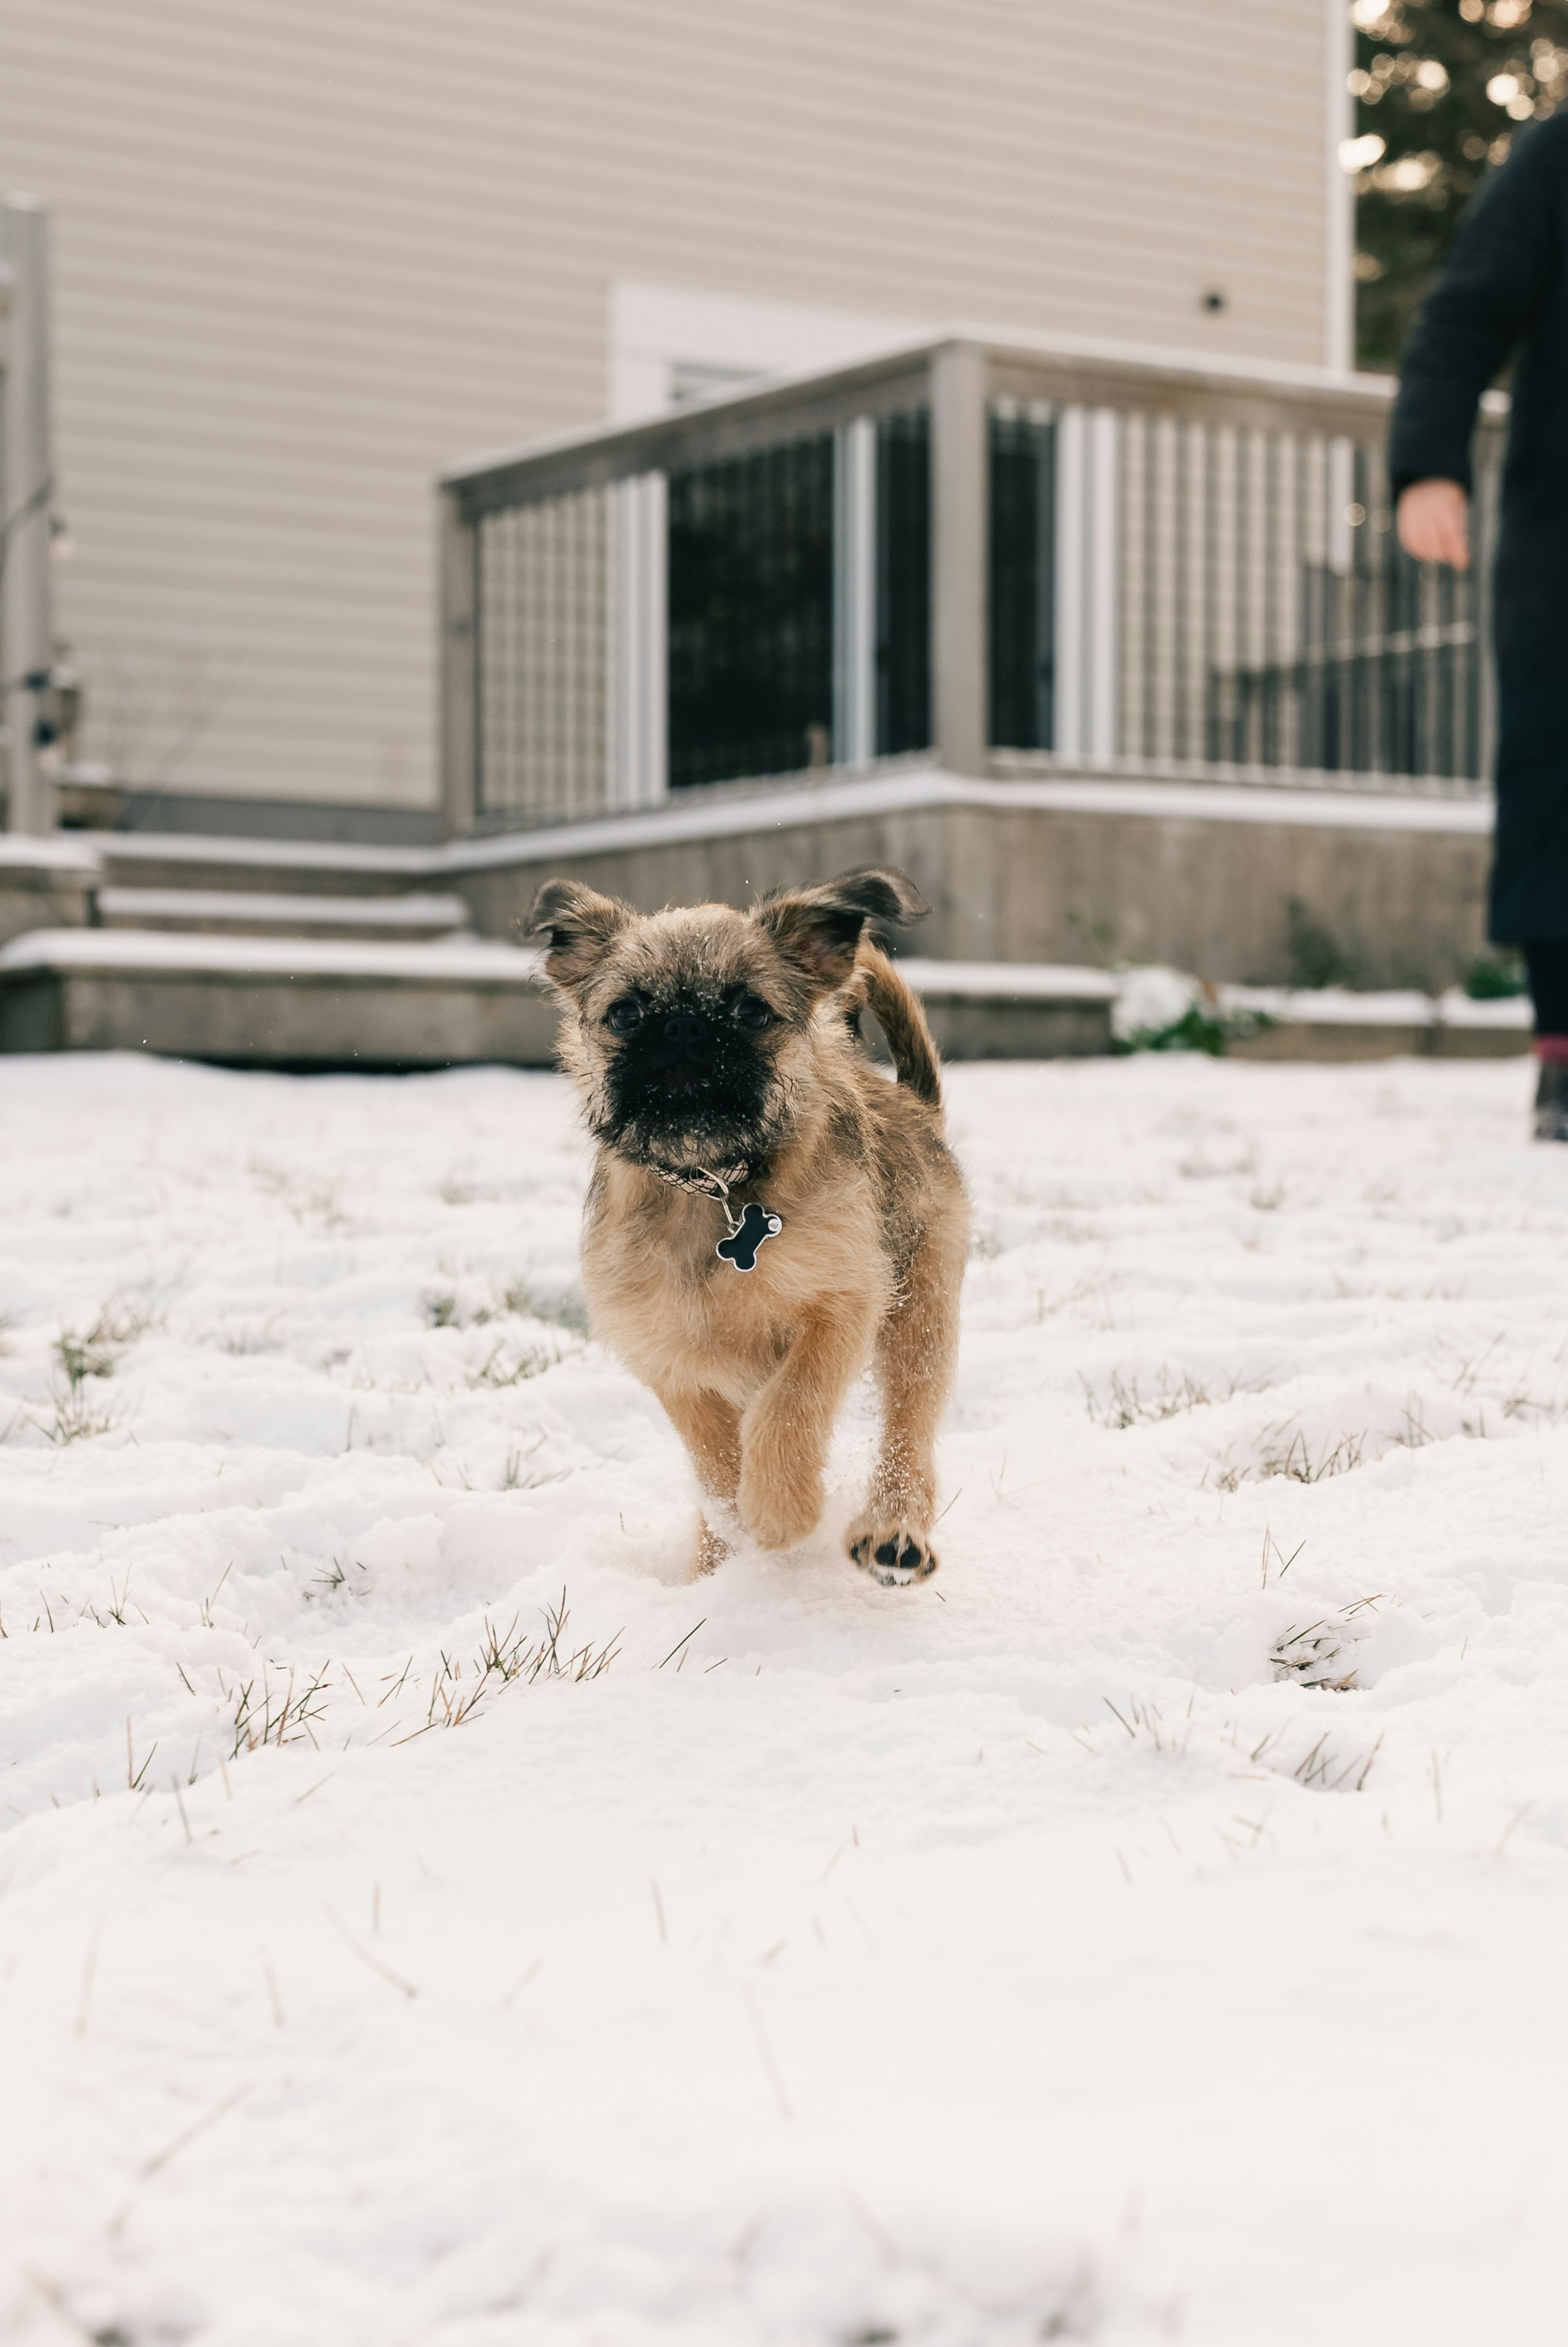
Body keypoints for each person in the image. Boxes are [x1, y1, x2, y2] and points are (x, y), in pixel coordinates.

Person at [1389, 111, 1568, 1140]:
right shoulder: (1558, 159)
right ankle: (1565, 1058)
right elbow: (1463, 317)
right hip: (1567, 550)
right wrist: (1428, 465)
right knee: (1562, 791)